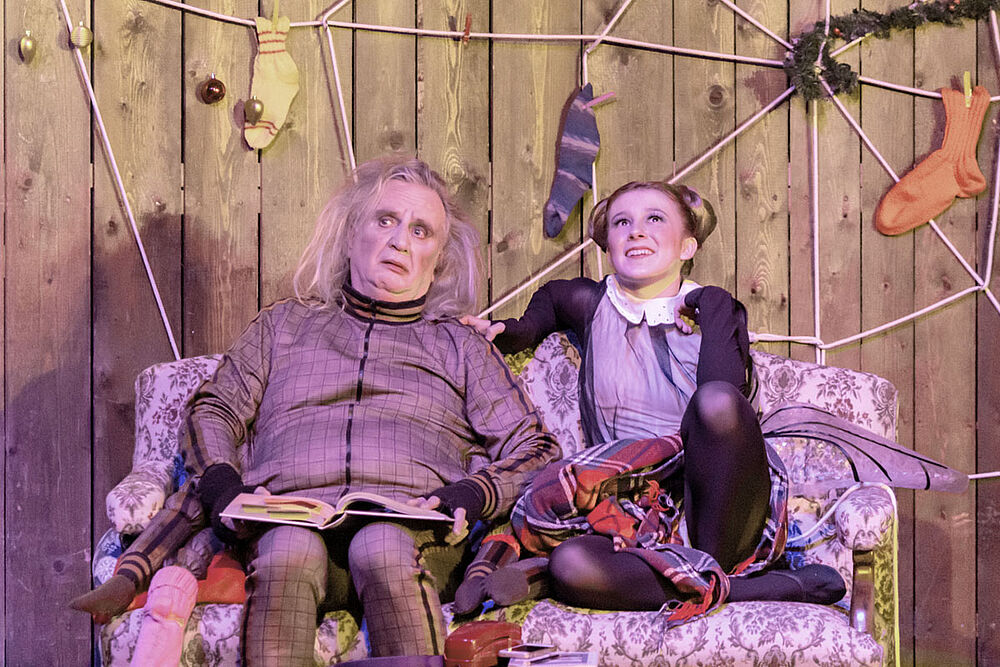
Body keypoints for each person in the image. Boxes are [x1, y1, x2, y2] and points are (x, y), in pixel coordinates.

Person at [72, 155, 561, 663]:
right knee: (288, 550)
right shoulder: (282, 325)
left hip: (414, 536)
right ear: (351, 234)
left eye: (421, 231)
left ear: (438, 260)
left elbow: (536, 447)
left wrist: (472, 492)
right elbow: (213, 409)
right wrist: (221, 483)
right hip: (286, 522)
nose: (400, 241)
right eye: (386, 220)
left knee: (379, 545)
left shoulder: (461, 346)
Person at [457, 180, 845, 620]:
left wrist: (711, 302)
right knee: (571, 564)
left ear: (687, 246)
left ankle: (709, 568)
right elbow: (548, 302)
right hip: (631, 504)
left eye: (654, 219)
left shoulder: (717, 312)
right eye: (622, 222)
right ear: (609, 246)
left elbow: (724, 403)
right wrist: (510, 332)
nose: (636, 231)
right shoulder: (592, 304)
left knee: (716, 403)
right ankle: (751, 589)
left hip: (716, 503)